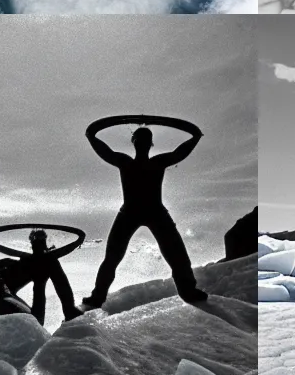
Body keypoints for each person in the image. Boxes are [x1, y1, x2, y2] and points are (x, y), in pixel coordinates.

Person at [80, 118, 207, 308]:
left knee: (177, 255)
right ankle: (97, 296)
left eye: (145, 139)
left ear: (150, 143)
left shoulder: (156, 162)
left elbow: (179, 153)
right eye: (140, 139)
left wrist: (195, 137)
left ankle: (188, 291)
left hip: (154, 211)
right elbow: (105, 152)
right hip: (131, 212)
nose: (142, 142)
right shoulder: (127, 162)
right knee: (112, 257)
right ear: (135, 142)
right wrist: (91, 136)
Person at [0, 228, 80, 324]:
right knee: (35, 323)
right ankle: (69, 310)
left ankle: (69, 310)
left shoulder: (15, 262)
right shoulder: (43, 261)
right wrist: (40, 283)